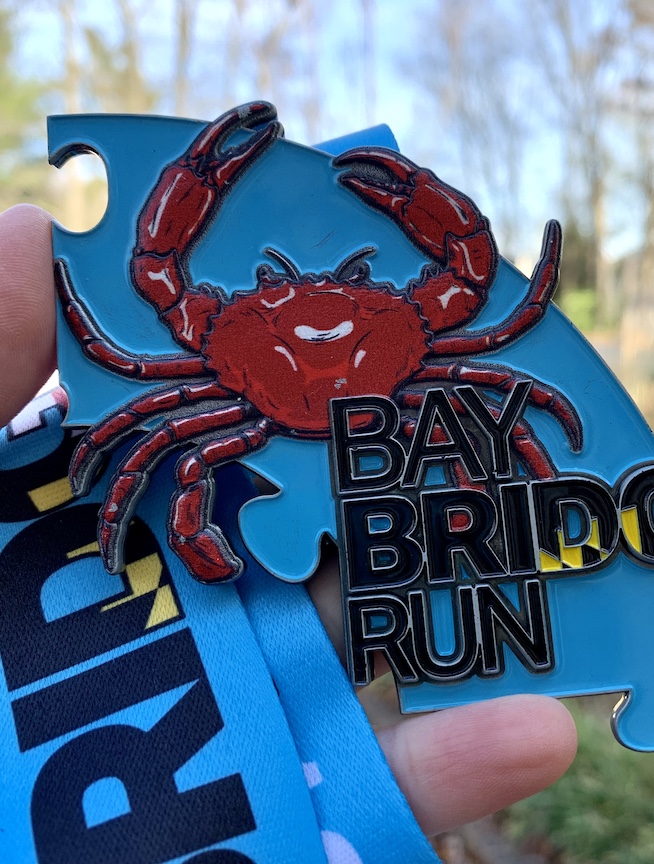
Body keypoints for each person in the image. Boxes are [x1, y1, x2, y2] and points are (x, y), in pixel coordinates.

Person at [0, 202, 577, 839]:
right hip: (410, 445)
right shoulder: (406, 319)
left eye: (350, 294)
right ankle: (505, 526)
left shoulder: (223, 336)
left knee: (174, 462)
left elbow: (146, 318)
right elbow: (492, 319)